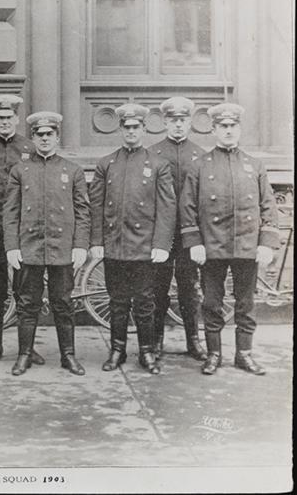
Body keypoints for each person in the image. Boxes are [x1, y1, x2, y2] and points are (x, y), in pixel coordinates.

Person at [180, 102, 280, 375]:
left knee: (246, 304)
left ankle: (244, 354)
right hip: (212, 246)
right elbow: (187, 207)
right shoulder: (200, 166)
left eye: (233, 125)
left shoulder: (254, 165)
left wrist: (266, 243)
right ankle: (214, 354)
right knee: (211, 303)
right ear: (213, 129)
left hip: (247, 247)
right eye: (222, 126)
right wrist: (195, 242)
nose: (228, 130)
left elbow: (268, 205)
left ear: (239, 128)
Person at [89, 103, 176, 375]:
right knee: (117, 302)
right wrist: (96, 242)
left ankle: (147, 352)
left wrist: (161, 244)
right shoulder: (106, 164)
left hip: (144, 247)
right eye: (126, 127)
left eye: (136, 127)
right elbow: (96, 205)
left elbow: (167, 207)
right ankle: (117, 350)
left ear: (144, 129)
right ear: (120, 129)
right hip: (115, 245)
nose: (131, 131)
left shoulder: (158, 164)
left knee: (145, 303)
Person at [3, 111, 90, 376]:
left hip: (61, 248)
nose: (44, 138)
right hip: (29, 248)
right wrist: (12, 246)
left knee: (63, 303)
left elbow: (83, 212)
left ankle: (68, 355)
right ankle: (24, 355)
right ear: (32, 137)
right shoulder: (20, 171)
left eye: (49, 134)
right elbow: (10, 212)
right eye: (39, 134)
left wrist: (80, 245)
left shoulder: (72, 170)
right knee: (27, 303)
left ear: (57, 137)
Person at [0, 94, 46, 366]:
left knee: (27, 291)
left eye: (9, 117)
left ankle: (27, 348)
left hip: (25, 231)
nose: (5, 122)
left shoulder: (31, 149)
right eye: (0, 118)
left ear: (17, 118)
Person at [148, 97, 207, 362]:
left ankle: (193, 341)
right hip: (161, 234)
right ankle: (156, 340)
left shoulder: (201, 155)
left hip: (189, 234)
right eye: (173, 121)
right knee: (157, 288)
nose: (178, 125)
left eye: (183, 120)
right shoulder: (152, 153)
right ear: (165, 122)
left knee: (190, 288)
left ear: (190, 122)